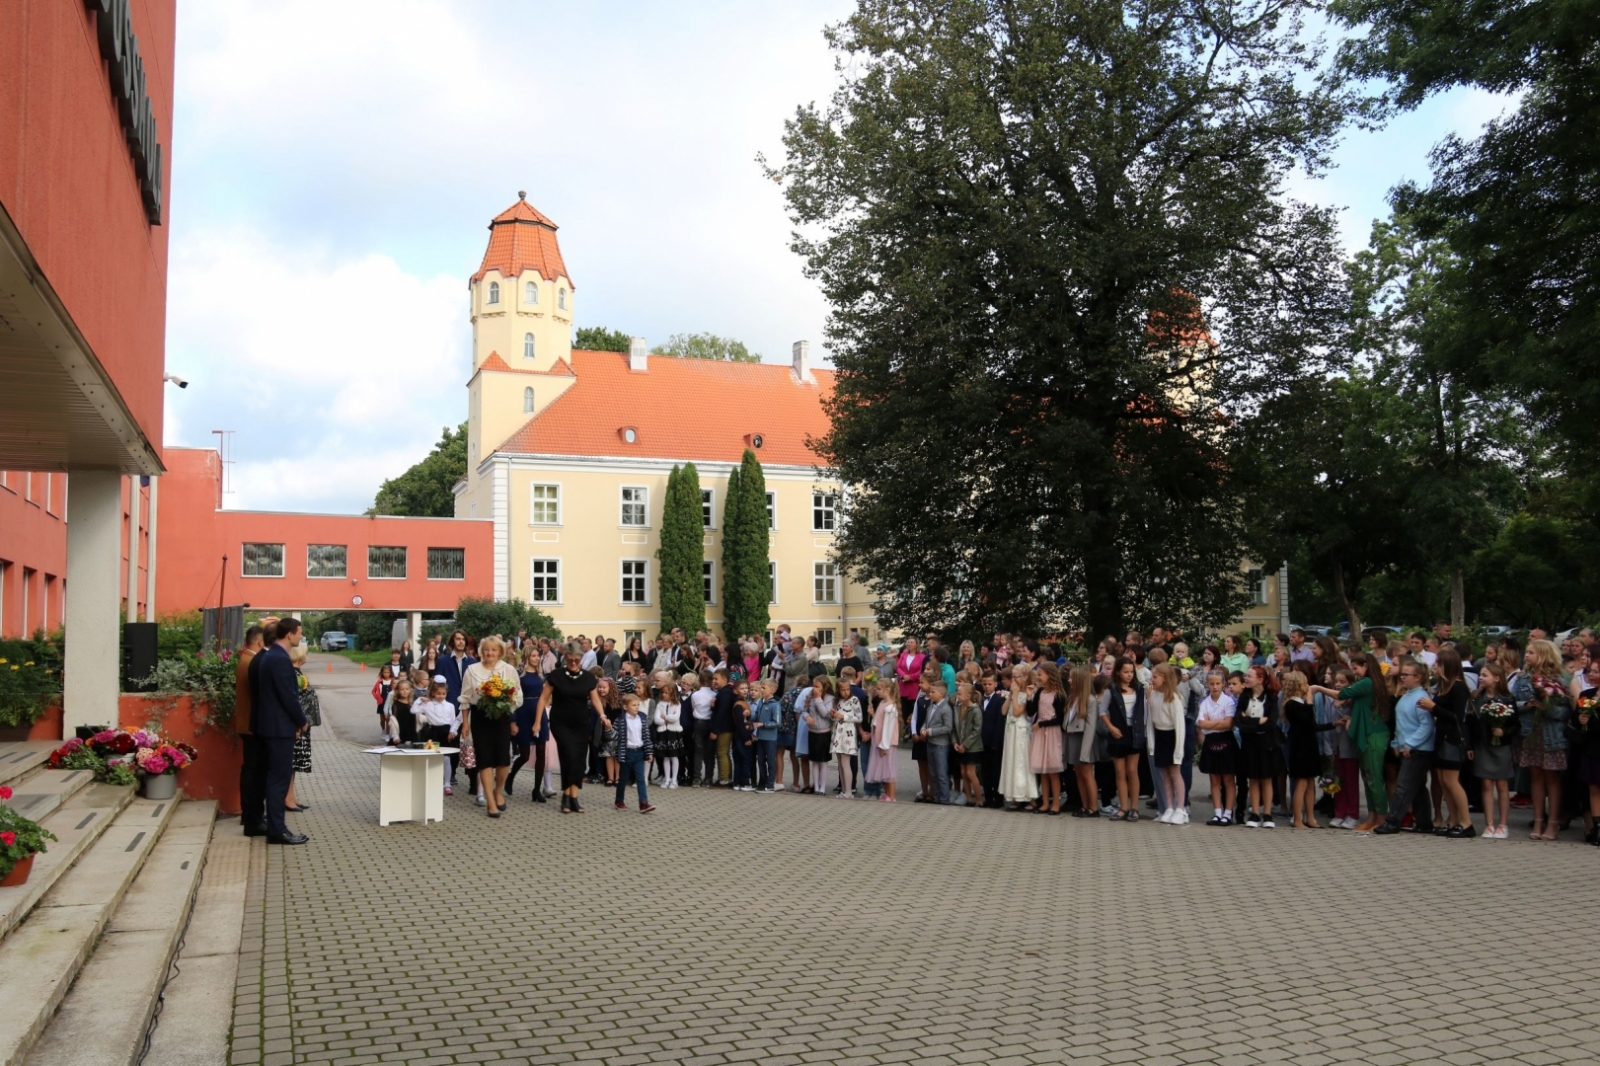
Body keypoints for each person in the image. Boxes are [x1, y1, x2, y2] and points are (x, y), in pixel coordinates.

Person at [247, 618, 309, 845]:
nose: (300, 637)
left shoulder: (269, 656)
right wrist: (301, 722)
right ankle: (277, 830)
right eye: (299, 633)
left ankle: (276, 827)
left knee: (273, 778)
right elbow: (287, 696)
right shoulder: (280, 659)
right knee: (278, 780)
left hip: (270, 726)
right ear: (290, 634)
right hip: (278, 728)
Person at [535, 641, 610, 813]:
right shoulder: (556, 675)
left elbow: (596, 700)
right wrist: (537, 721)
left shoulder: (588, 677)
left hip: (581, 723)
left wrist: (603, 716)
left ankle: (572, 797)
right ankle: (566, 797)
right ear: (565, 658)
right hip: (560, 723)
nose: (574, 663)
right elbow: (543, 699)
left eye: (577, 659)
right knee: (569, 755)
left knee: (579, 760)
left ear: (582, 658)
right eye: (570, 660)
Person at [1512, 639, 1571, 840]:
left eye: (1531, 653)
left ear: (1544, 655)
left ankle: (1553, 823)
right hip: (1530, 733)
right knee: (1535, 778)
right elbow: (1512, 703)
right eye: (1526, 652)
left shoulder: (1560, 679)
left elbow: (1567, 711)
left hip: (1551, 735)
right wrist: (1525, 706)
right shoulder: (1523, 678)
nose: (1527, 656)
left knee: (1552, 779)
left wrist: (1549, 708)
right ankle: (1538, 820)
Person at [460, 636, 523, 818]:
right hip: (480, 718)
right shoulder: (472, 670)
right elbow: (464, 699)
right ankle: (490, 801)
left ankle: (498, 791)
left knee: (504, 760)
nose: (490, 653)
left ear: (500, 652)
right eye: (486, 649)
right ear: (481, 651)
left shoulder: (509, 670)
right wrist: (465, 723)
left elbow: (518, 696)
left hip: (501, 717)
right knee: (484, 760)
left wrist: (506, 699)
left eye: (494, 650)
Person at [1373, 660, 1438, 836]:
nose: (1402, 677)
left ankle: (1393, 821)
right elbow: (1401, 724)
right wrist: (1396, 743)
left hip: (1419, 749)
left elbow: (1426, 726)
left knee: (1404, 785)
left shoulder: (1421, 698)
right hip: (1406, 746)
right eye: (1401, 674)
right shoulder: (1406, 696)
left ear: (1417, 677)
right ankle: (1424, 822)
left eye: (1406, 675)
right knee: (1417, 786)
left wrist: (1410, 743)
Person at [1469, 661, 1517, 838]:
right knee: (1486, 783)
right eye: (1480, 675)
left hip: (1501, 746)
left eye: (1485, 675)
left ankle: (1503, 824)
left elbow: (1515, 725)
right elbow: (1470, 724)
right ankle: (1489, 824)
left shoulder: (1507, 699)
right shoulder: (1476, 698)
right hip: (1482, 745)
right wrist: (1469, 745)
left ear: (1497, 678)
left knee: (1502, 784)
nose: (1481, 678)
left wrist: (1503, 731)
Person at [1281, 672, 1331, 829]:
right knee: (1301, 783)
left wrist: (1335, 724)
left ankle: (1310, 817)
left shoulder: (1301, 704)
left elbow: (1313, 726)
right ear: (1298, 686)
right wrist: (1309, 701)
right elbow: (1305, 720)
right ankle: (1297, 819)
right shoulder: (1291, 704)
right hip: (1300, 746)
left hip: (1309, 745)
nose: (1307, 687)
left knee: (1310, 783)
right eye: (1305, 684)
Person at [1100, 658, 1145, 822]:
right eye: (1125, 672)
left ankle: (1134, 808)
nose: (1129, 675)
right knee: (1120, 772)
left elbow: (1143, 710)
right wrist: (1111, 728)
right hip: (1118, 733)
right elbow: (1102, 711)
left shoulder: (1139, 688)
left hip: (1135, 733)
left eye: (1131, 672)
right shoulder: (1110, 689)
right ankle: (1123, 807)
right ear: (1118, 672)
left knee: (1132, 771)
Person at [1236, 666, 1280, 828]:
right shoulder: (1244, 696)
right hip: (1249, 742)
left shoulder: (1271, 698)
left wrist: (1250, 721)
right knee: (1253, 778)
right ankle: (1254, 813)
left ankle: (1267, 814)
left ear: (1260, 679)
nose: (1246, 678)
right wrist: (1257, 722)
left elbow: (1271, 723)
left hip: (1266, 743)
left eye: (1249, 676)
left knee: (1266, 778)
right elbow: (1239, 721)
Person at [235, 625, 267, 836]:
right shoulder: (250, 662)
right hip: (251, 726)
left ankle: (249, 812)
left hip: (246, 723)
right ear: (259, 642)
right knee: (254, 772)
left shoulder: (245, 659)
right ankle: (250, 814)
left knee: (251, 770)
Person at [1145, 662, 1187, 824]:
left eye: (1155, 677)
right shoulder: (1154, 695)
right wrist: (1151, 742)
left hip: (1172, 737)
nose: (1152, 680)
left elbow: (1180, 727)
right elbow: (1151, 721)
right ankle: (1168, 807)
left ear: (1165, 678)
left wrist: (1178, 751)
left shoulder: (1174, 698)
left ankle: (1181, 809)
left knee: (1175, 773)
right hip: (1160, 736)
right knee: (1164, 775)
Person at [1195, 670, 1237, 826]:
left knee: (1228, 779)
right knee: (1214, 779)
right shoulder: (1205, 703)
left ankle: (1228, 812)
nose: (1215, 687)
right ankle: (1217, 812)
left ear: (1223, 684)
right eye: (1211, 684)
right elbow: (1201, 724)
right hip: (1211, 741)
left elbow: (1228, 724)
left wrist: (1210, 723)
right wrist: (1218, 723)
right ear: (1207, 684)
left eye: (1218, 683)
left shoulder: (1229, 701)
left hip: (1226, 740)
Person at [999, 666, 1038, 810]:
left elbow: (1017, 712)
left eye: (1016, 676)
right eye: (1013, 676)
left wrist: (1015, 694)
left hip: (1021, 731)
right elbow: (1004, 711)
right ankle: (1014, 796)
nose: (1013, 680)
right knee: (1011, 761)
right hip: (1010, 731)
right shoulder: (1013, 692)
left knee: (1022, 762)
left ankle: (1029, 797)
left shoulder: (1029, 693)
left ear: (1025, 677)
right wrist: (1010, 695)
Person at [1029, 663, 1066, 815]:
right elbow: (1031, 711)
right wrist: (1030, 696)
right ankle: (1044, 803)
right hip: (1040, 733)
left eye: (1040, 674)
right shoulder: (1039, 693)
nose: (1038, 677)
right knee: (1042, 771)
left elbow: (1060, 719)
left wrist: (1043, 723)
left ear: (1050, 676)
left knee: (1052, 771)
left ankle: (1056, 803)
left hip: (1052, 733)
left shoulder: (1058, 695)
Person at [414, 678, 461, 794]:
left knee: (446, 758)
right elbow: (414, 709)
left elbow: (453, 720)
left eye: (443, 694)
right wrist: (420, 699)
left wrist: (453, 731)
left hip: (446, 733)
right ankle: (432, 781)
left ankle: (447, 783)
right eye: (438, 693)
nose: (441, 696)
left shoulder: (450, 706)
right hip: (433, 732)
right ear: (433, 693)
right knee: (432, 758)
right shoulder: (428, 705)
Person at [612, 694, 657, 812]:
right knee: (623, 779)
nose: (637, 707)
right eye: (633, 705)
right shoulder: (621, 719)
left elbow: (646, 736)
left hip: (639, 753)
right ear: (625, 707)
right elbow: (614, 735)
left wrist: (649, 752)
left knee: (641, 779)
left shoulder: (642, 718)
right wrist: (608, 728)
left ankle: (643, 803)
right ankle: (619, 800)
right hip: (626, 753)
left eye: (638, 705)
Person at [285, 641, 315, 814]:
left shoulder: (298, 673)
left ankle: (292, 796)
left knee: (295, 764)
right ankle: (287, 798)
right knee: (291, 763)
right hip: (297, 726)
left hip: (302, 725)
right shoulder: (294, 675)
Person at [865, 679, 900, 802]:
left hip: (886, 743)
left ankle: (891, 795)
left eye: (879, 689)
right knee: (885, 769)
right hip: (880, 741)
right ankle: (887, 794)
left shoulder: (890, 707)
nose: (876, 691)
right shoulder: (882, 704)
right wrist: (873, 714)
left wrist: (884, 745)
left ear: (887, 690)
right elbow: (879, 722)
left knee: (889, 769)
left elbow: (888, 728)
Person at [649, 674, 685, 790]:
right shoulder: (660, 704)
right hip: (663, 733)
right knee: (665, 757)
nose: (664, 695)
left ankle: (674, 779)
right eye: (663, 693)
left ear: (672, 694)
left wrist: (666, 717)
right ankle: (667, 778)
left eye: (667, 693)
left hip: (673, 733)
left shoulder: (677, 704)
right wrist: (665, 719)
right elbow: (656, 719)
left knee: (674, 757)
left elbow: (676, 717)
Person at [830, 681, 864, 798]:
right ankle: (844, 790)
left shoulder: (854, 700)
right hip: (838, 734)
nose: (845, 692)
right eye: (843, 690)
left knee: (845, 762)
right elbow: (835, 718)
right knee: (840, 763)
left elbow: (859, 718)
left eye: (847, 689)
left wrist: (843, 716)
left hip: (848, 735)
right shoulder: (837, 701)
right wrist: (833, 715)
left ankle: (849, 791)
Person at [952, 680, 984, 807]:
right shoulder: (958, 708)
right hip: (960, 746)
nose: (957, 696)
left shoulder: (975, 710)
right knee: (963, 772)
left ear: (968, 696)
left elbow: (977, 730)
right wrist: (955, 742)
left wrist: (965, 745)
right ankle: (969, 798)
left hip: (972, 747)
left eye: (959, 694)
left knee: (971, 772)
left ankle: (979, 799)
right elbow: (955, 728)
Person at [804, 675, 837, 796]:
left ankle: (822, 788)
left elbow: (825, 713)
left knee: (823, 761)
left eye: (817, 686)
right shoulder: (810, 697)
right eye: (814, 686)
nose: (815, 689)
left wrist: (818, 699)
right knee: (814, 761)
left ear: (825, 686)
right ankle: (816, 786)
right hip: (812, 732)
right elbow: (804, 710)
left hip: (824, 733)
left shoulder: (830, 699)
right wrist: (807, 717)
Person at [979, 672, 1007, 808]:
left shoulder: (999, 700)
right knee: (985, 772)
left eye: (989, 684)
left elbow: (999, 723)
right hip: (981, 742)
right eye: (984, 684)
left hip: (994, 742)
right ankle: (988, 798)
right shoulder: (978, 699)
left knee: (996, 771)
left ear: (996, 684)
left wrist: (997, 743)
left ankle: (998, 798)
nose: (987, 687)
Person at [751, 680, 781, 793]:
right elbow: (756, 716)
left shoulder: (775, 705)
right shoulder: (761, 703)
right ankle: (762, 782)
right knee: (761, 761)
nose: (761, 690)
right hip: (760, 737)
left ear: (772, 690)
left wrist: (764, 725)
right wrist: (749, 716)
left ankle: (770, 784)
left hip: (770, 739)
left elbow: (777, 722)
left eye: (763, 688)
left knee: (771, 762)